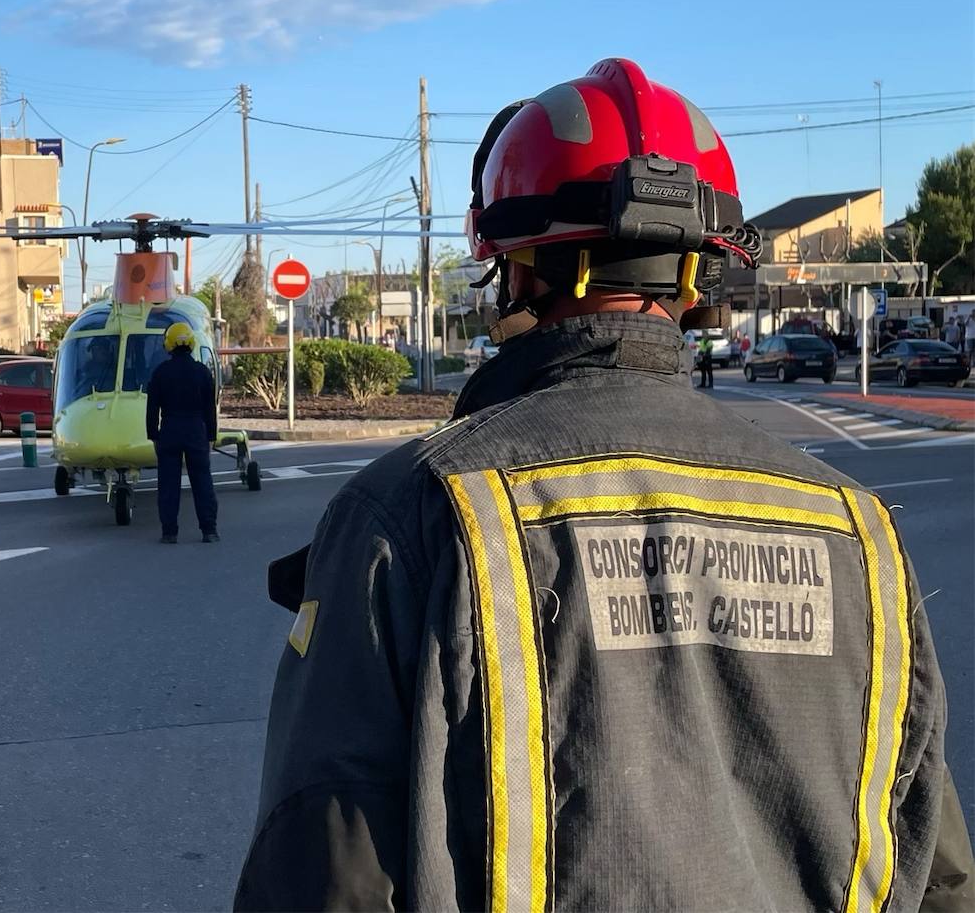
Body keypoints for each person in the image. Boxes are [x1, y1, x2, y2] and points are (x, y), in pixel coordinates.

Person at [234, 59, 971, 911]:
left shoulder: (414, 515)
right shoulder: (859, 534)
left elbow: (324, 871)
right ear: (699, 274)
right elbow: (938, 870)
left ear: (512, 268)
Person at [145, 322, 217, 544]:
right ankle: (209, 530)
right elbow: (210, 408)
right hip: (196, 429)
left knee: (168, 484)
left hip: (170, 429)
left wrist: (153, 434)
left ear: (169, 345)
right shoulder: (202, 372)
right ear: (191, 342)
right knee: (202, 481)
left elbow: (152, 408)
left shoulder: (160, 373)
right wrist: (211, 435)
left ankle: (169, 532)